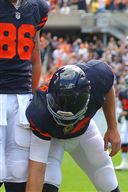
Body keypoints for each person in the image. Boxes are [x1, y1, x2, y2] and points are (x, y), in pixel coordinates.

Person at [25, 61, 121, 192]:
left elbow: (108, 85)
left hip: (83, 132)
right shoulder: (40, 110)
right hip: (53, 139)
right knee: (49, 181)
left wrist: (112, 127)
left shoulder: (98, 76)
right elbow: (37, 169)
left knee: (105, 178)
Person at [0, 0, 48, 192]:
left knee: (18, 170)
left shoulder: (37, 6)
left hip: (21, 96)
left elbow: (35, 53)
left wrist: (32, 92)